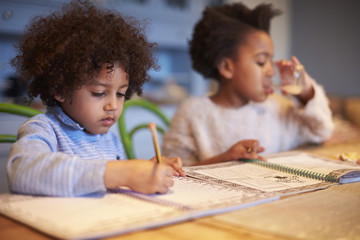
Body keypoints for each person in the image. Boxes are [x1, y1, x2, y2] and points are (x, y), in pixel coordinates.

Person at [7, 0, 185, 197]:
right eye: (99, 93)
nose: (114, 105)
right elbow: (22, 172)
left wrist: (146, 170)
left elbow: (116, 184)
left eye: (120, 94)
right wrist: (122, 172)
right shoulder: (44, 129)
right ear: (60, 89)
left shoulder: (109, 139)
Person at [162, 2, 334, 166]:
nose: (271, 71)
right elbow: (174, 171)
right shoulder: (192, 112)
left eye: (271, 61)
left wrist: (304, 92)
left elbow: (322, 131)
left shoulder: (276, 107)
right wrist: (223, 159)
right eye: (261, 62)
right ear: (226, 67)